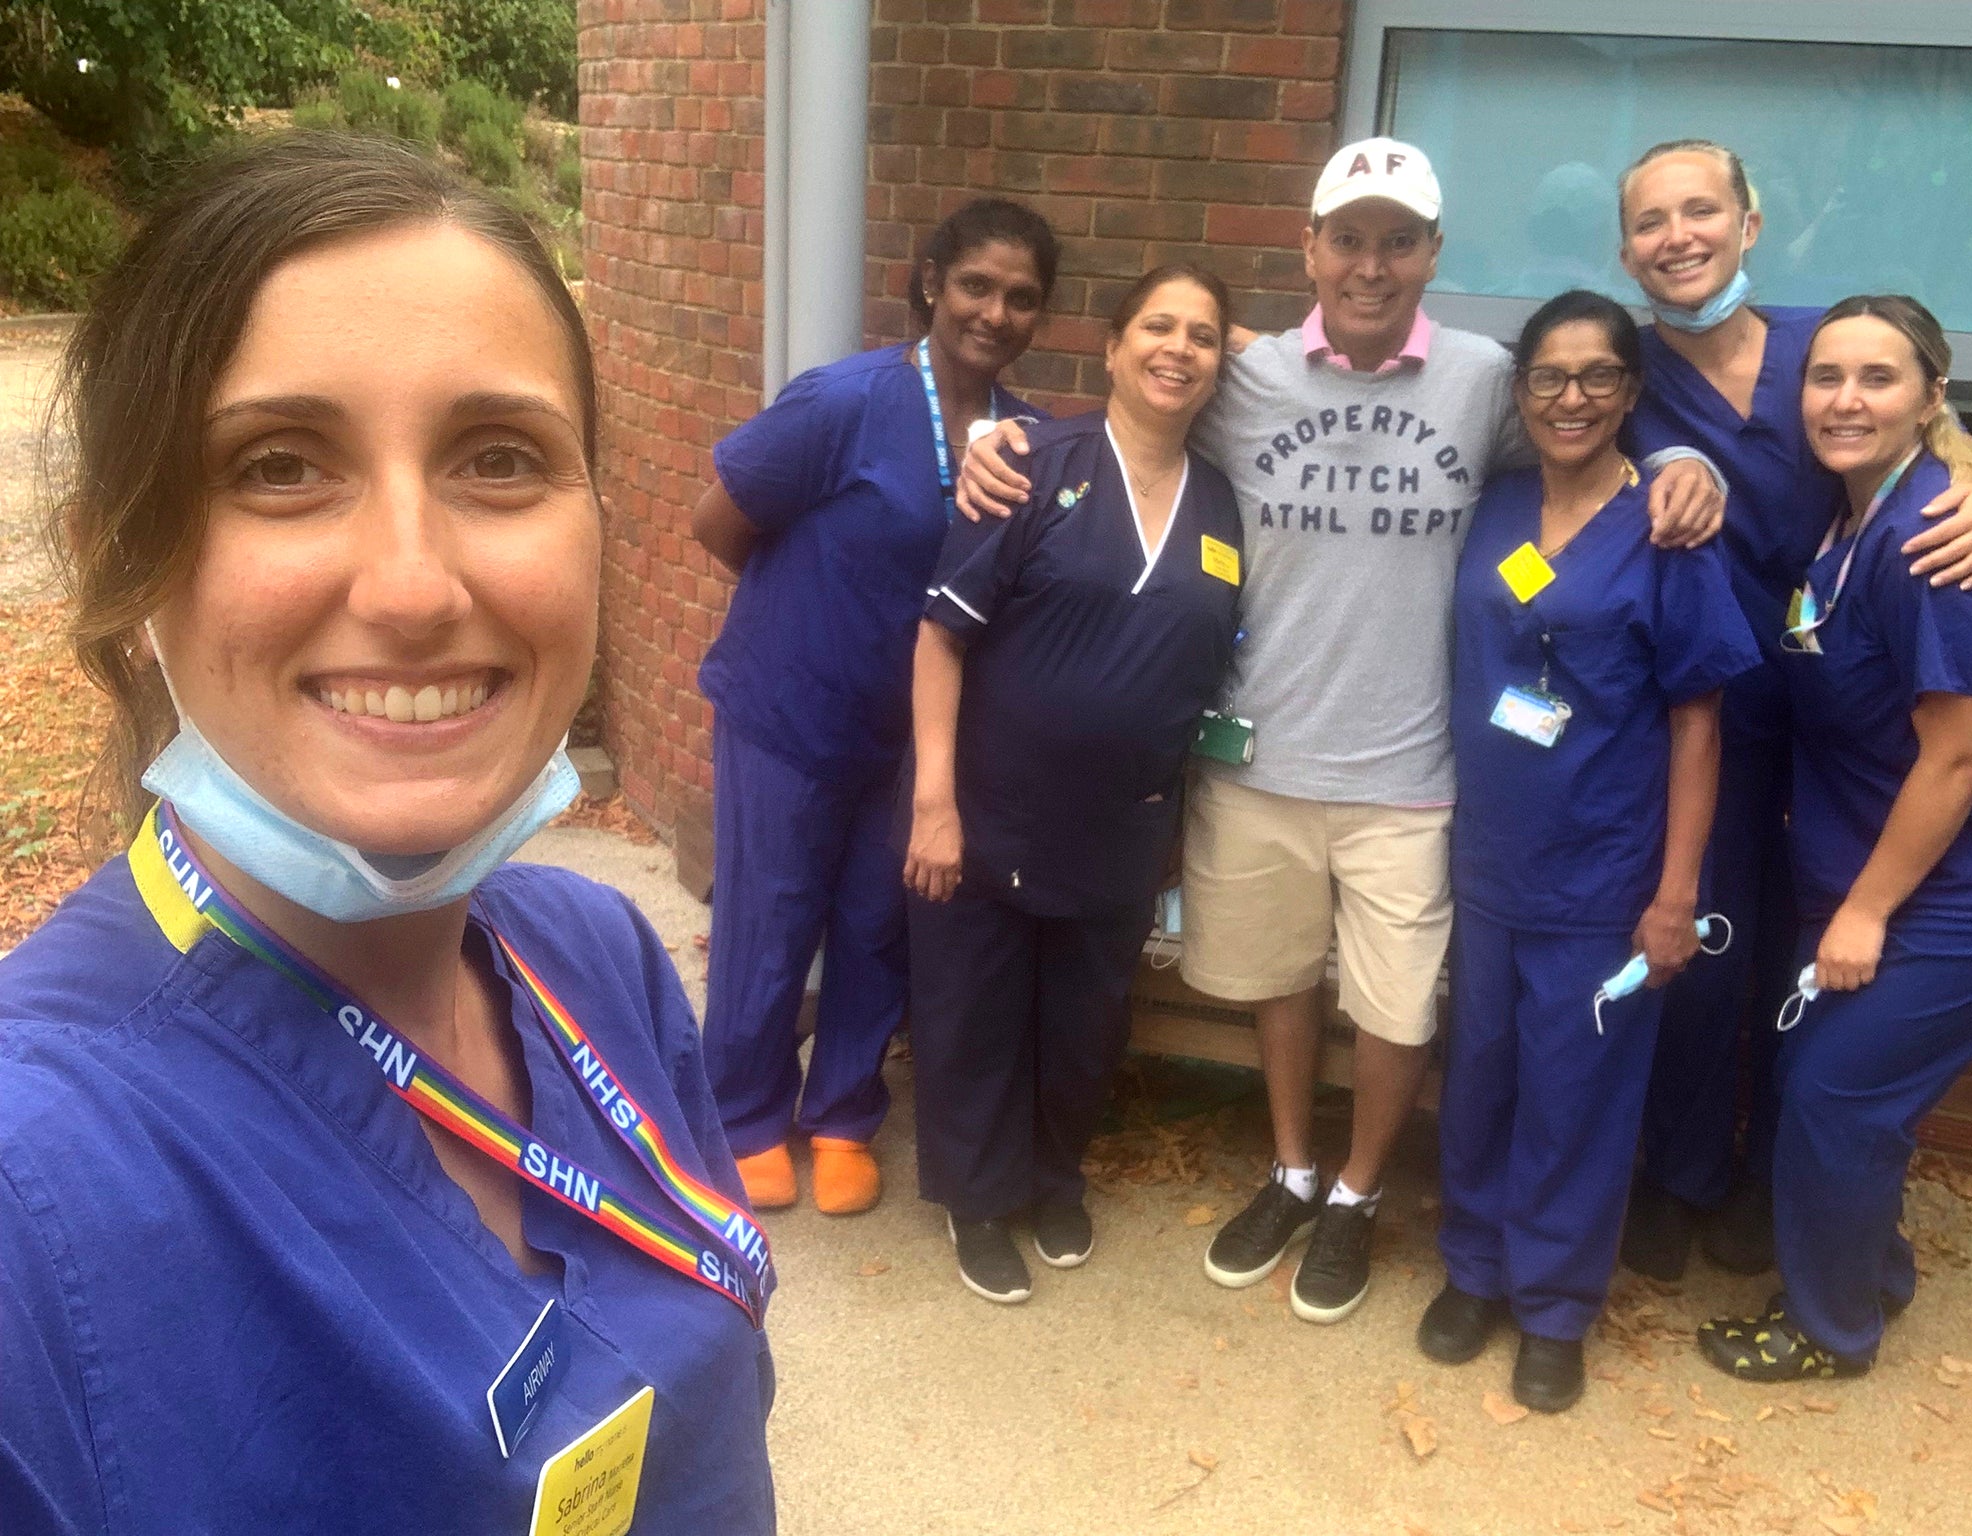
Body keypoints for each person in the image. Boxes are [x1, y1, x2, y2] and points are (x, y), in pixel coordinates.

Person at [0, 135, 775, 1532]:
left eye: (498, 458)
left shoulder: (601, 962)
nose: (414, 586)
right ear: (122, 562)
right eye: (281, 466)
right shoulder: (34, 1188)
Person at [959, 138, 1726, 1328]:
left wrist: (1681, 459)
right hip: (1259, 760)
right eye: (1348, 238)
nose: (1370, 265)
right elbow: (1133, 418)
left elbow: (1592, 435)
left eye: (1397, 241)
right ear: (1308, 247)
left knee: (1394, 1005)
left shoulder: (1482, 380)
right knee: (1274, 983)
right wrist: (996, 436)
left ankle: (1358, 1195)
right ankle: (1290, 1171)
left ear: (1430, 255)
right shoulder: (1249, 375)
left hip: (1412, 773)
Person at [1611, 141, 1972, 1282]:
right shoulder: (1623, 377)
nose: (1677, 236)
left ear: (1749, 224)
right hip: (1716, 722)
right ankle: (1677, 1176)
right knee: (1702, 951)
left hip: (1851, 730)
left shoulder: (1825, 347)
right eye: (1650, 221)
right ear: (1624, 250)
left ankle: (1763, 1183)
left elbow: (1943, 441)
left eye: (1700, 209)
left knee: (1810, 962)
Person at [1697, 296, 1972, 1382]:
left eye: (1877, 378)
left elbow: (1953, 757)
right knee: (1842, 1088)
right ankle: (1867, 1271)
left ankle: (1829, 1326)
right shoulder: (1848, 520)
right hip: (1880, 870)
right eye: (1825, 376)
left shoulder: (1923, 545)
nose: (1844, 399)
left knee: (1834, 1092)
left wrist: (1863, 909)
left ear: (1930, 396)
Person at [1421, 292, 1758, 1411]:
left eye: (1596, 377)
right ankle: (1473, 1268)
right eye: (1547, 378)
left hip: (1606, 876)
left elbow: (1697, 722)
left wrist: (1674, 896)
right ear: (1519, 394)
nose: (1569, 397)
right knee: (1477, 1078)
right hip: (1488, 864)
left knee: (1580, 1091)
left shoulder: (1671, 528)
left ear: (1630, 391)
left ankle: (1555, 1304)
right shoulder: (1495, 504)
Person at [689, 199, 1056, 1214]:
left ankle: (843, 1115)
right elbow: (716, 519)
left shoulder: (1029, 441)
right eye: (976, 285)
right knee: (769, 916)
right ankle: (744, 1115)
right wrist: (808, 611)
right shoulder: (842, 402)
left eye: (1021, 298)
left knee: (874, 923)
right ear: (932, 280)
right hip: (789, 711)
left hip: (913, 743)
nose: (994, 311)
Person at [902, 266, 1241, 1303]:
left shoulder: (1223, 505)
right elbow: (939, 636)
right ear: (1109, 346)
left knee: (1085, 1020)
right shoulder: (1029, 466)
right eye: (1156, 326)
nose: (1176, 348)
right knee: (975, 1011)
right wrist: (932, 803)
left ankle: (1054, 1178)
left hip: (1123, 824)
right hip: (989, 810)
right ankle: (977, 1199)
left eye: (1202, 334)